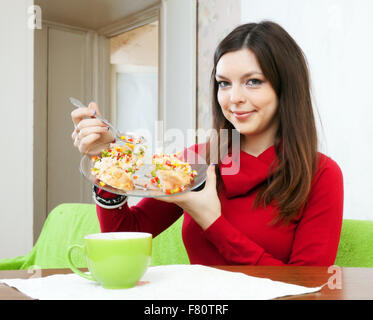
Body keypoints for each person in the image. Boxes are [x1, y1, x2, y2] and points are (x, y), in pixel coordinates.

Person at [71, 21, 343, 266]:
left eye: (253, 82)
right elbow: (123, 236)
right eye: (224, 84)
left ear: (286, 88)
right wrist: (108, 159)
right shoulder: (197, 161)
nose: (234, 97)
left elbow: (308, 288)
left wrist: (211, 221)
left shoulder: (321, 174)